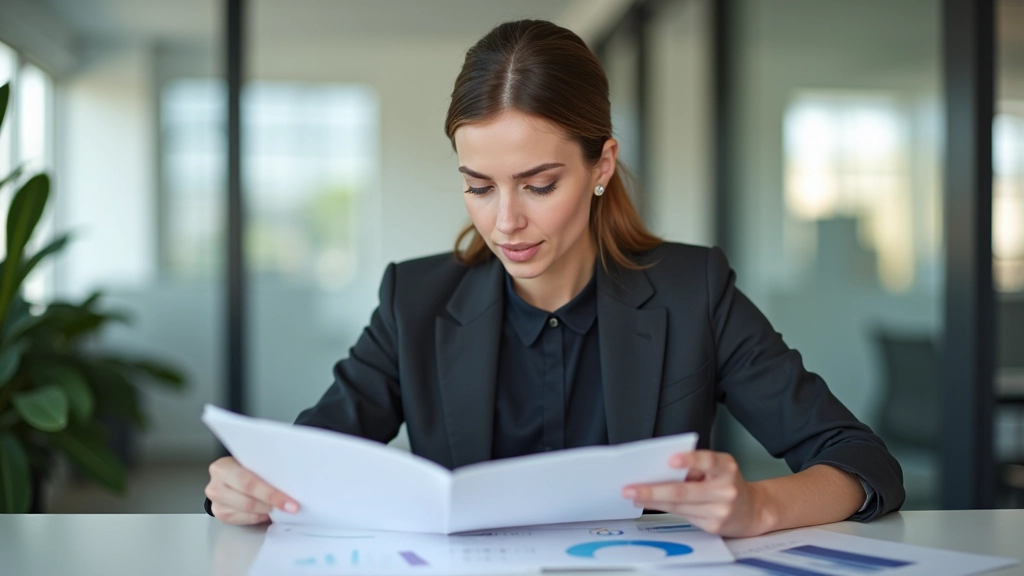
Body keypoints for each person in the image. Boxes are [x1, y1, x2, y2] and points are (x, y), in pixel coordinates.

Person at [204, 19, 904, 537]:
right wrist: (243, 488)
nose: (505, 221)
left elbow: (863, 461)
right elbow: (310, 460)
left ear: (601, 166)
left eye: (538, 184)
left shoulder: (696, 291)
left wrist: (760, 505)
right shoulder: (413, 301)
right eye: (479, 186)